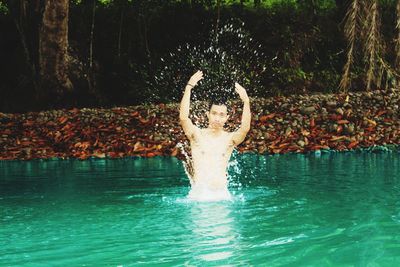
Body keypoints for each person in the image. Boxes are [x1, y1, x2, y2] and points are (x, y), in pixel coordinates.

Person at [179, 70, 251, 200]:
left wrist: (246, 101)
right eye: (214, 113)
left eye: (221, 115)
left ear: (227, 118)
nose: (217, 118)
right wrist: (189, 87)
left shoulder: (229, 139)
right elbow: (184, 118)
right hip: (198, 197)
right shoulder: (196, 135)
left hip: (222, 197)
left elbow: (245, 128)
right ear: (208, 114)